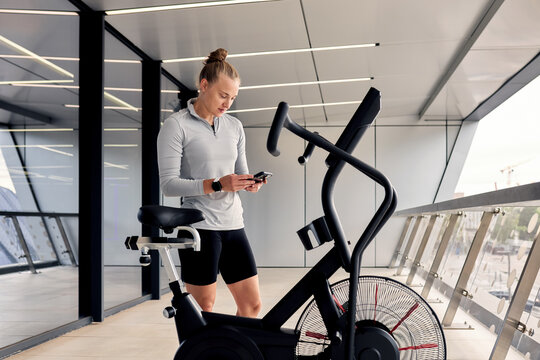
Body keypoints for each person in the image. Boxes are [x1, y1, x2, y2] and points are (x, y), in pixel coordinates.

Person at [157, 48, 264, 318]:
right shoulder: (176, 125)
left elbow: (239, 173)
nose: (228, 103)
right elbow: (169, 185)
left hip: (233, 224)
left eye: (233, 97)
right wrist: (217, 184)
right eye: (223, 95)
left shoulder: (234, 127)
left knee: (252, 306)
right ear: (204, 86)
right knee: (202, 310)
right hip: (198, 227)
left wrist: (249, 183)